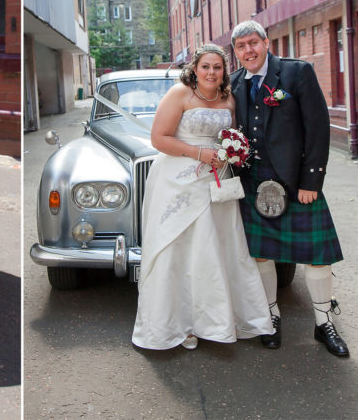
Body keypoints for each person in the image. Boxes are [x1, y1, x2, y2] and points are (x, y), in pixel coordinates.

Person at [132, 44, 273, 350]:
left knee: (214, 250)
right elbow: (159, 138)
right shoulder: (180, 94)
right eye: (206, 66)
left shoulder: (228, 99)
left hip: (217, 181)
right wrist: (200, 153)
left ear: (225, 71)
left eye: (218, 67)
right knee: (180, 251)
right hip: (178, 182)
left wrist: (233, 151)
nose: (212, 72)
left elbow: (231, 135)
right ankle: (179, 324)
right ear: (195, 68)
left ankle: (216, 321)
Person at [230, 20, 348, 356]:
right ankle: (270, 316)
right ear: (236, 52)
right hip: (252, 182)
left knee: (317, 257)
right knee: (261, 254)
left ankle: (324, 322)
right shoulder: (235, 83)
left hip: (296, 183)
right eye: (241, 46)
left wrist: (312, 180)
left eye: (253, 42)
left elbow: (317, 128)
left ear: (266, 43)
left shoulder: (297, 73)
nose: (248, 50)